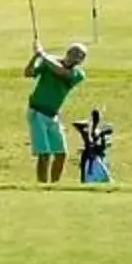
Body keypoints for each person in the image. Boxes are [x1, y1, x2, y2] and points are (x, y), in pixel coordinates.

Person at [25, 41, 88, 184]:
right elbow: (28, 73)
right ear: (68, 53)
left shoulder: (78, 74)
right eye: (75, 53)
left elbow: (62, 72)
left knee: (61, 154)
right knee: (44, 154)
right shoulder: (49, 62)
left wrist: (43, 55)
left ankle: (54, 185)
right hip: (37, 112)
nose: (77, 58)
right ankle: (42, 185)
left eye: (81, 56)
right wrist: (35, 57)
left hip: (52, 115)